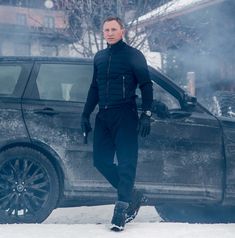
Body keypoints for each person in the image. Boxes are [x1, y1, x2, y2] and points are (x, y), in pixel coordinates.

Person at [81, 16, 153, 232]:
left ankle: (121, 209)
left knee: (126, 162)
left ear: (122, 30)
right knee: (100, 161)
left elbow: (146, 85)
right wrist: (85, 114)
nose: (109, 33)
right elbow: (95, 87)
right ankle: (132, 195)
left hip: (126, 115)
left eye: (113, 29)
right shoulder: (99, 57)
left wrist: (146, 114)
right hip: (103, 116)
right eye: (106, 30)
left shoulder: (134, 55)